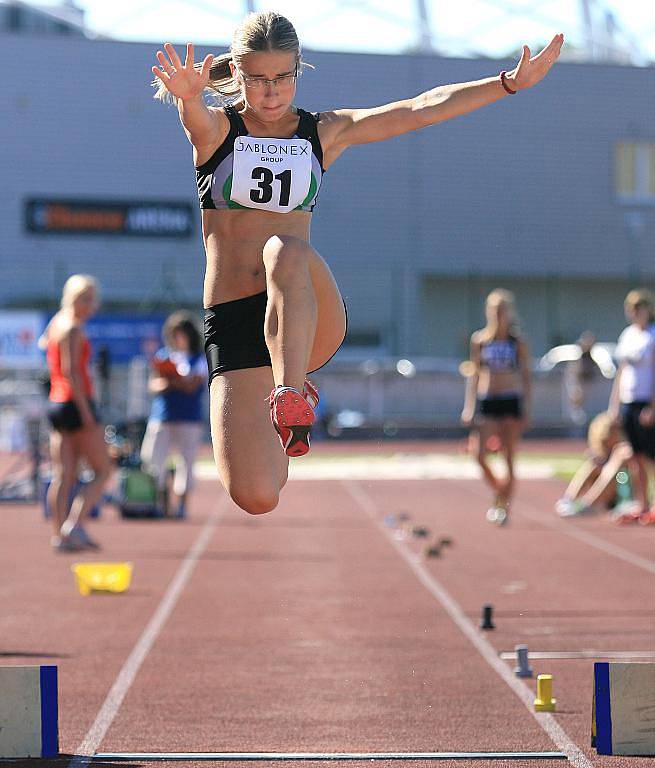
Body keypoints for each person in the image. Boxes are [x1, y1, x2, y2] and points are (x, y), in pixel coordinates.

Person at [151, 12, 563, 514]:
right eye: (258, 79)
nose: (271, 91)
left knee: (283, 247)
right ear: (238, 73)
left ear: (298, 71)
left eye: (283, 77)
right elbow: (196, 119)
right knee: (256, 495)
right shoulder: (219, 132)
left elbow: (418, 110)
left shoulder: (321, 133)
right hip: (238, 319)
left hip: (306, 305)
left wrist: (507, 84)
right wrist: (189, 96)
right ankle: (285, 418)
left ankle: (290, 390)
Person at [42, 274, 112, 551]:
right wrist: (86, 413)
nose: (90, 305)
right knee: (103, 470)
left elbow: (49, 355)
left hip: (57, 402)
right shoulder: (72, 327)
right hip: (74, 402)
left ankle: (59, 535)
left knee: (65, 474)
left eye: (92, 299)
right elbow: (72, 372)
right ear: (73, 298)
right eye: (85, 298)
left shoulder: (56, 322)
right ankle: (75, 524)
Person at [460, 289, 532, 525]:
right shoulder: (480, 340)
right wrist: (469, 406)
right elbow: (474, 374)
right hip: (488, 399)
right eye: (494, 310)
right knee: (479, 454)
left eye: (502, 311)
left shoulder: (517, 342)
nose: (498, 315)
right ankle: (500, 491)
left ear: (509, 313)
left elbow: (526, 376)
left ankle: (503, 507)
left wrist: (527, 407)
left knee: (509, 457)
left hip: (510, 400)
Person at [140, 311, 208, 518]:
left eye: (182, 334)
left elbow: (192, 386)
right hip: (162, 416)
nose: (178, 338)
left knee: (186, 463)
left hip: (189, 417)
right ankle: (161, 504)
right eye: (175, 334)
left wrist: (171, 382)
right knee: (153, 460)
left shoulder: (199, 358)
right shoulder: (163, 356)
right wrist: (175, 382)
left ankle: (182, 506)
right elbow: (154, 385)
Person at [608, 289, 655, 522]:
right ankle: (642, 503)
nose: (635, 313)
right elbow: (621, 372)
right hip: (628, 401)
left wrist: (653, 406)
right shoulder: (628, 335)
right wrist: (614, 405)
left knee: (651, 457)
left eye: (639, 308)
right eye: (632, 309)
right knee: (635, 457)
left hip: (646, 402)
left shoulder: (652, 336)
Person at [555, 411, 635, 518]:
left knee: (615, 470)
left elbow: (621, 472)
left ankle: (587, 504)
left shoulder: (625, 449)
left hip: (622, 486)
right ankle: (568, 499)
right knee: (593, 465)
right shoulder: (605, 448)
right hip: (609, 487)